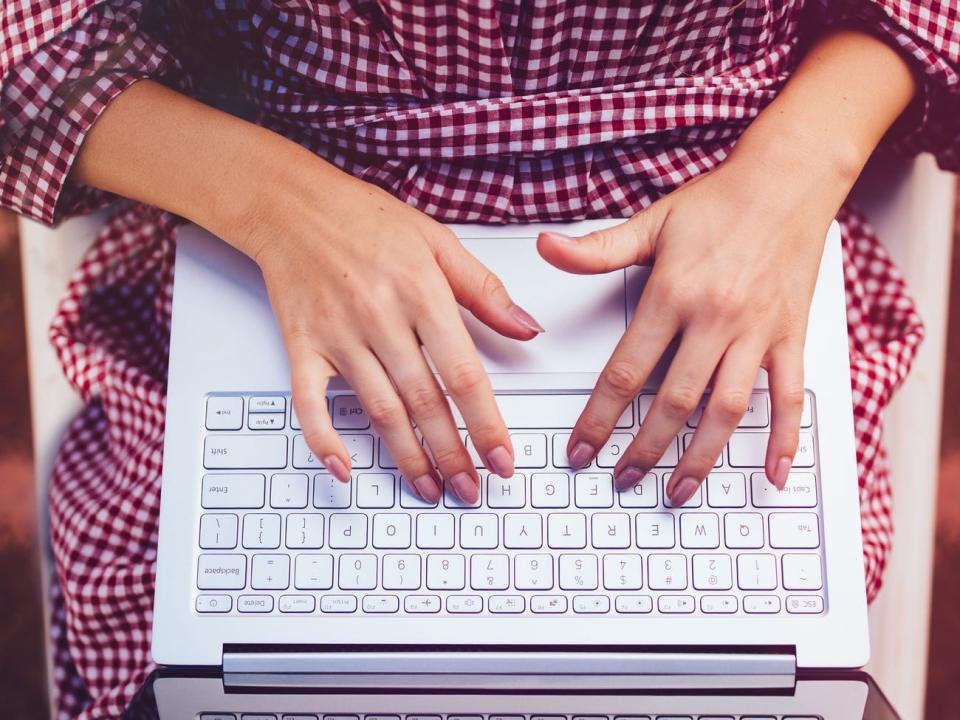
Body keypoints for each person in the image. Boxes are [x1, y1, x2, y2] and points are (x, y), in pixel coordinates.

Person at [1, 1, 957, 716]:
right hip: (288, 260)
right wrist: (273, 200)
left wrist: (796, 171)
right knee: (224, 663)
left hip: (727, 262)